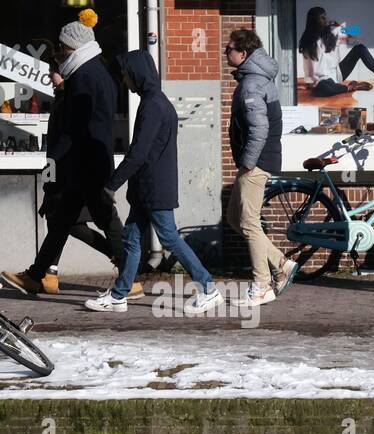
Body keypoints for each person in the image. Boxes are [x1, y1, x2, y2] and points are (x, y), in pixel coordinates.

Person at [85, 52, 224, 315]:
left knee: (169, 237)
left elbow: (139, 152)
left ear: (136, 73)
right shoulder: (158, 103)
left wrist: (112, 184)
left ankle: (208, 288)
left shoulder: (152, 106)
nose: (124, 81)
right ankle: (118, 295)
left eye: (126, 75)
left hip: (153, 188)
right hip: (149, 188)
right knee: (131, 239)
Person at [1, 18, 128, 299]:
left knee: (105, 219)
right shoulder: (96, 73)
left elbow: (71, 130)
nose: (58, 54)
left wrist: (54, 170)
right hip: (87, 162)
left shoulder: (82, 78)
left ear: (72, 48)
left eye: (61, 48)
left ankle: (131, 273)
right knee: (62, 221)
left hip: (83, 165)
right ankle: (37, 275)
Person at [36, 66, 129, 294]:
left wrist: (51, 180)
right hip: (62, 172)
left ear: (64, 74)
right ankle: (48, 274)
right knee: (63, 223)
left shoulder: (68, 101)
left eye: (53, 73)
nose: (50, 78)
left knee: (67, 223)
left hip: (67, 175)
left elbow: (61, 145)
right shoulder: (62, 99)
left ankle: (124, 263)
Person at [226, 29, 294, 307]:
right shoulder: (255, 80)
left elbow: (259, 127)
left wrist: (248, 163)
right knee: (234, 218)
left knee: (249, 223)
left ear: (243, 54)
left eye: (229, 48)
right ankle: (281, 263)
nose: (225, 53)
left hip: (256, 163)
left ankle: (262, 285)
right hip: (256, 161)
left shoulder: (252, 85)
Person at [298, 6, 374, 98]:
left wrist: (338, 25)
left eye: (325, 16)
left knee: (360, 49)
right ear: (314, 21)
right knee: (324, 88)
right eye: (321, 18)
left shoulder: (332, 33)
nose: (325, 19)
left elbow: (355, 32)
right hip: (322, 80)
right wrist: (309, 83)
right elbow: (308, 67)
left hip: (338, 73)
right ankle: (352, 87)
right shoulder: (308, 43)